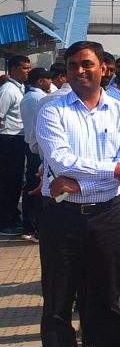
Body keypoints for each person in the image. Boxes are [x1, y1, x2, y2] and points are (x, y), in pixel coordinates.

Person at [35, 39, 120, 347]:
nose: (81, 71)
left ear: (103, 68)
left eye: (88, 64)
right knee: (58, 306)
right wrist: (110, 172)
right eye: (74, 65)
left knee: (107, 306)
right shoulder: (51, 110)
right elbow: (59, 158)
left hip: (109, 217)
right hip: (62, 221)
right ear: (66, 70)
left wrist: (76, 180)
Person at [0, 55, 32, 236]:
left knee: (15, 181)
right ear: (13, 69)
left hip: (18, 140)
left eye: (29, 67)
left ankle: (11, 216)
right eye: (24, 68)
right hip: (8, 140)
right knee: (7, 182)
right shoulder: (8, 90)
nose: (28, 71)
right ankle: (4, 222)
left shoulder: (20, 89)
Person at [19, 67, 52, 239]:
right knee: (35, 188)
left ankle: (30, 226)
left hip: (33, 146)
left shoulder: (31, 97)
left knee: (32, 186)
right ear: (40, 81)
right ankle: (32, 227)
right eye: (48, 79)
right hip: (35, 149)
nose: (50, 83)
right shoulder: (40, 99)